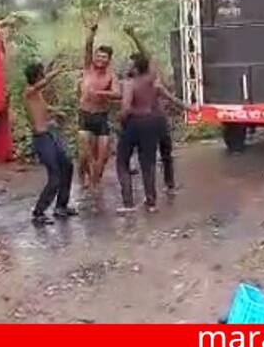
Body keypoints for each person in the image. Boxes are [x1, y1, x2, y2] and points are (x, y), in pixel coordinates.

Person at [124, 25, 190, 196]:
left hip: (155, 120)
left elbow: (169, 97)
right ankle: (163, 187)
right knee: (158, 154)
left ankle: (162, 187)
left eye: (133, 63)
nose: (130, 66)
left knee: (160, 154)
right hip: (154, 121)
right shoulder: (138, 82)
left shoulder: (148, 81)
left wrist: (134, 37)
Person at [22, 61, 77, 226]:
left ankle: (61, 206)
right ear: (37, 75)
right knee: (55, 176)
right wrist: (57, 72)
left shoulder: (37, 94)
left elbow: (43, 108)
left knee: (67, 166)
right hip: (41, 138)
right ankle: (39, 212)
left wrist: (57, 111)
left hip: (50, 135)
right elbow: (41, 85)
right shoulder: (28, 92)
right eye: (42, 73)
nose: (44, 75)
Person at [116, 53, 163, 213]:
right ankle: (151, 202)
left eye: (130, 64)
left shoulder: (130, 83)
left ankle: (128, 203)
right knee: (148, 163)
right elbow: (153, 63)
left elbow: (126, 107)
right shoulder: (151, 81)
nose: (127, 67)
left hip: (134, 123)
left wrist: (121, 119)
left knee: (122, 162)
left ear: (135, 68)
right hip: (150, 122)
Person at [78, 16, 121, 193]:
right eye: (99, 56)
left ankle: (95, 183)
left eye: (105, 57)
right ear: (94, 57)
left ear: (109, 60)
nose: (101, 59)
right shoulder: (88, 68)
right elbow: (88, 47)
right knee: (86, 154)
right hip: (85, 115)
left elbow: (118, 94)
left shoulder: (111, 76)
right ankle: (85, 178)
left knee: (102, 157)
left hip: (101, 117)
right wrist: (92, 31)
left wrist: (101, 93)